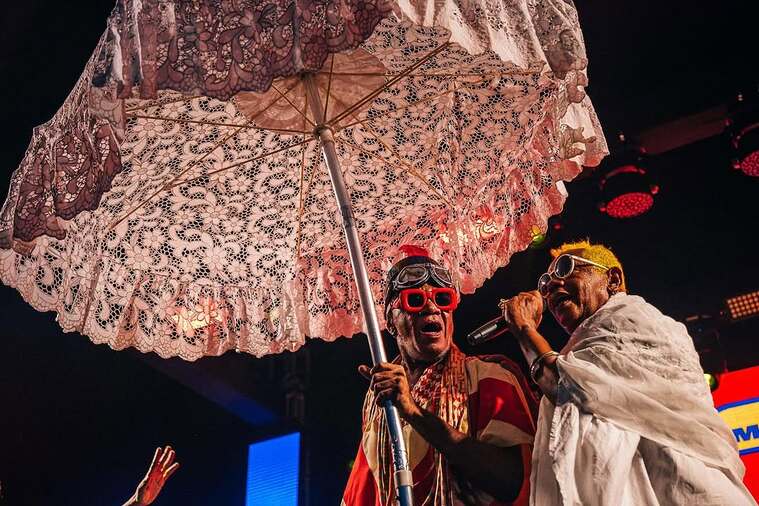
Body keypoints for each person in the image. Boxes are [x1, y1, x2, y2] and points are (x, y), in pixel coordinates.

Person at [500, 240, 755, 505]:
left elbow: (569, 386)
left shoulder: (635, 320)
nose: (551, 287)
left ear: (612, 278)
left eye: (566, 268)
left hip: (682, 487)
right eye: (544, 283)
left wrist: (524, 328)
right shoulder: (584, 350)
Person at [342, 246, 537, 505]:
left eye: (443, 299)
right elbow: (362, 494)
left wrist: (412, 412)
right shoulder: (380, 405)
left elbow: (515, 481)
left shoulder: (487, 377)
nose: (431, 308)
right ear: (390, 320)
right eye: (415, 300)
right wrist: (395, 406)